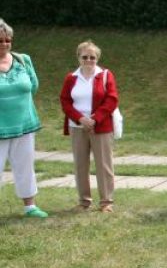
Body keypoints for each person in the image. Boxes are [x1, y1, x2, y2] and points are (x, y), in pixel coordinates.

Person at [58, 40, 119, 213]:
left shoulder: (106, 75)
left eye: (92, 57)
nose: (89, 60)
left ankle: (106, 201)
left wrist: (94, 118)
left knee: (104, 164)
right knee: (80, 165)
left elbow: (112, 99)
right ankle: (84, 201)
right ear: (78, 58)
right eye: (85, 57)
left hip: (101, 126)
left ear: (97, 58)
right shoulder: (71, 78)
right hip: (77, 127)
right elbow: (65, 101)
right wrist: (80, 119)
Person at [0, 19, 48, 218]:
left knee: (25, 166)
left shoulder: (23, 60)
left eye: (7, 40)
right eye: (0, 41)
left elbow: (33, 86)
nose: (4, 44)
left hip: (24, 124)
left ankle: (30, 206)